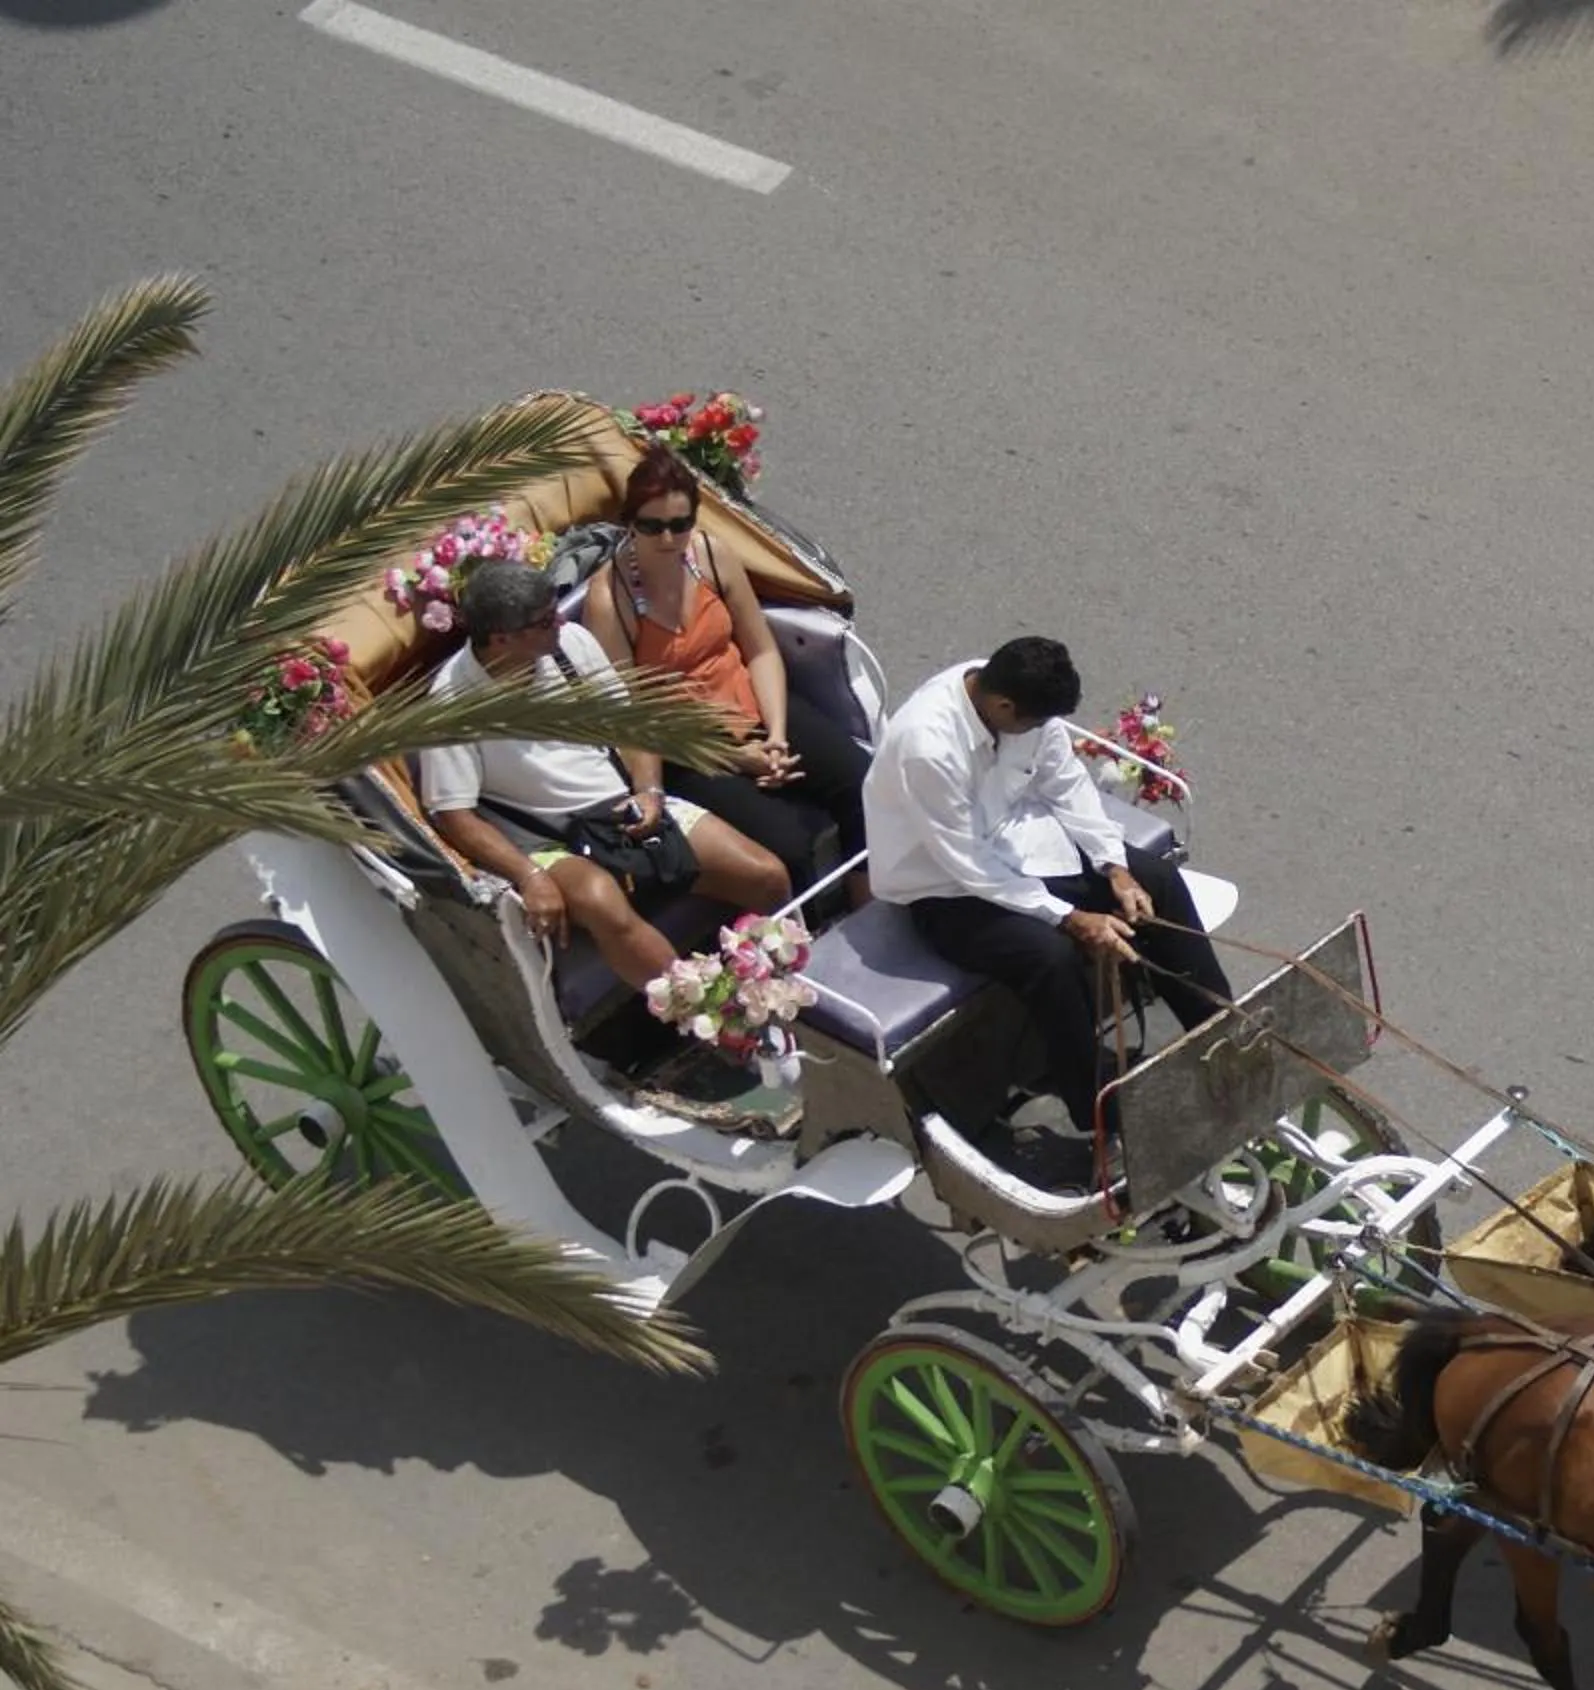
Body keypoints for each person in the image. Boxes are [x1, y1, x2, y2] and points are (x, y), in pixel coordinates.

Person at [862, 635, 1233, 1177]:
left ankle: (1220, 1031)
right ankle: (1101, 1113)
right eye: (1033, 724)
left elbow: (1067, 787)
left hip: (1020, 844)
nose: (1040, 733)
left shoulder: (1022, 706)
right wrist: (1072, 917)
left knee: (1156, 881)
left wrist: (1116, 868)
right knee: (1049, 959)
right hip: (943, 888)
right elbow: (968, 864)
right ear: (1003, 707)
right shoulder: (928, 746)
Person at [419, 561, 790, 995]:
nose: (560, 621)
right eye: (544, 621)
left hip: (624, 808)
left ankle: (783, 988)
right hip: (549, 843)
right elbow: (455, 815)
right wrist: (529, 876)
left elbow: (633, 726)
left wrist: (649, 790)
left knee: (767, 877)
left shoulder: (571, 645)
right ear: (502, 638)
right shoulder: (451, 706)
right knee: (601, 902)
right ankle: (711, 1015)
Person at [575, 443, 870, 908]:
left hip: (752, 704)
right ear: (629, 524)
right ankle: (805, 929)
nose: (668, 540)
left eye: (680, 524)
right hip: (688, 746)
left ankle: (864, 901)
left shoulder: (712, 555)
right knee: (789, 843)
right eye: (652, 527)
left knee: (860, 779)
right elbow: (637, 717)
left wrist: (774, 734)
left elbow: (760, 649)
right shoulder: (610, 601)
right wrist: (740, 758)